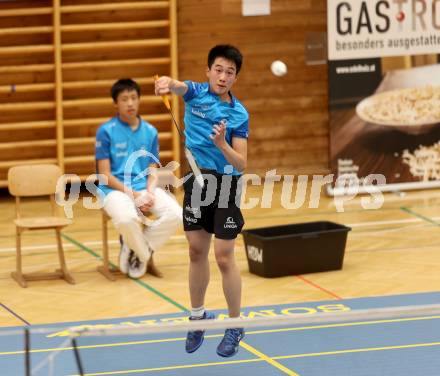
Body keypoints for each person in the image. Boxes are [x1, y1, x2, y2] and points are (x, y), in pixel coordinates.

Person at [155, 45, 248, 357]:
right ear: (208, 71)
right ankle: (198, 317)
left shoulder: (238, 113)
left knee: (223, 256)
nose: (223, 77)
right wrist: (168, 83)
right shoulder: (195, 93)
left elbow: (241, 163)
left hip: (226, 183)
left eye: (230, 72)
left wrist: (222, 143)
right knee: (196, 251)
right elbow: (179, 86)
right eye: (218, 70)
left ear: (236, 77)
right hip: (196, 181)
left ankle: (235, 324)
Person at [95, 78, 181, 279]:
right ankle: (142, 254)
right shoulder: (106, 131)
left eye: (134, 98)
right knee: (127, 219)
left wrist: (150, 193)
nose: (130, 103)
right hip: (114, 190)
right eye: (124, 99)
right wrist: (134, 195)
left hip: (144, 187)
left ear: (139, 100)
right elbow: (104, 175)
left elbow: (152, 169)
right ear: (116, 103)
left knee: (176, 214)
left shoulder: (150, 131)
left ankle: (133, 249)